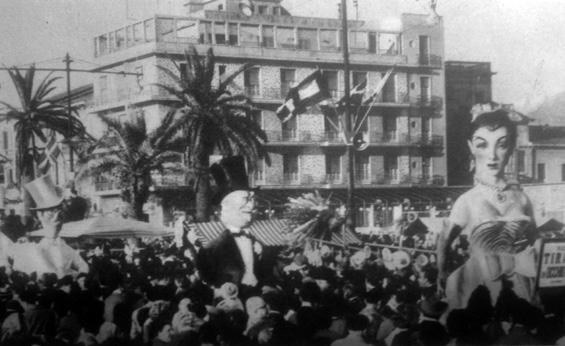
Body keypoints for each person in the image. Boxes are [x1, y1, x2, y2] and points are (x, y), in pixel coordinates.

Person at [437, 103, 537, 309]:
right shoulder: (467, 200)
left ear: (511, 147)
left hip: (519, 282)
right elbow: (444, 241)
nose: (492, 155)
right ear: (471, 147)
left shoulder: (522, 198)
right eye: (482, 144)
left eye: (501, 144)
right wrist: (441, 272)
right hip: (477, 282)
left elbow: (536, 240)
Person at [196, 156, 264, 289]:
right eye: (246, 199)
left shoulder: (262, 244)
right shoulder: (210, 250)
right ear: (227, 205)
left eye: (252, 200)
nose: (251, 206)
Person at [10, 175, 89, 278]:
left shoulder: (65, 247)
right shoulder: (30, 249)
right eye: (51, 211)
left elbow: (84, 267)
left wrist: (78, 276)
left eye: (58, 210)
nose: (57, 215)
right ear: (40, 215)